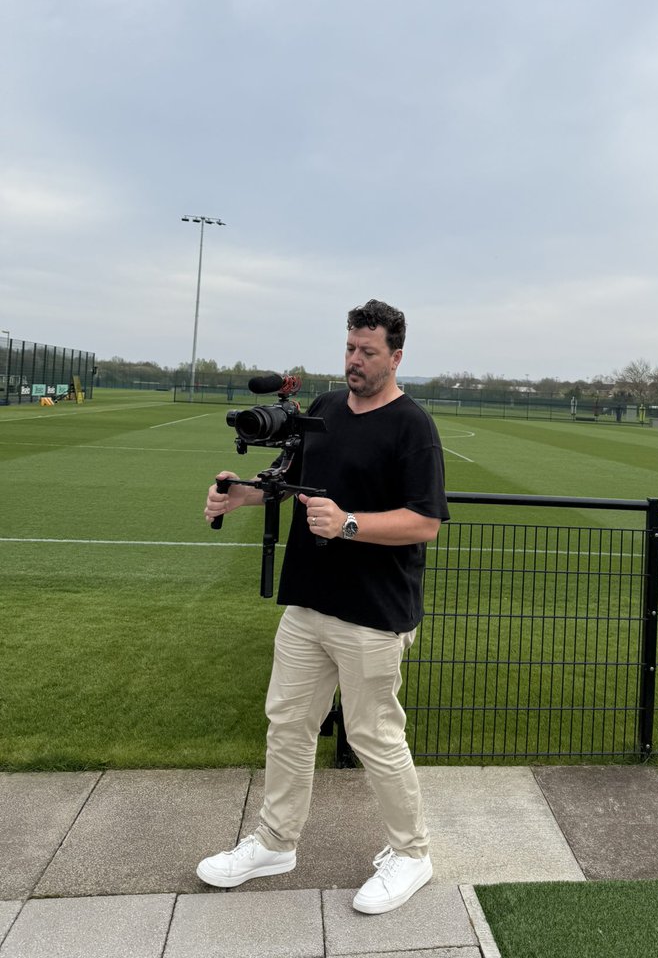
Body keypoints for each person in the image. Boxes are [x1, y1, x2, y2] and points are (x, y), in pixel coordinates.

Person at [197, 299, 449, 914]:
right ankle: (276, 842)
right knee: (287, 723)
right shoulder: (328, 408)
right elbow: (291, 477)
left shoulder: (412, 425)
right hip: (308, 601)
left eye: (368, 351)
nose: (355, 361)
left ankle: (411, 855)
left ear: (396, 356)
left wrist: (351, 524)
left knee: (374, 736)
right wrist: (242, 498)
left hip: (373, 612)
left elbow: (425, 522)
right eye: (349, 348)